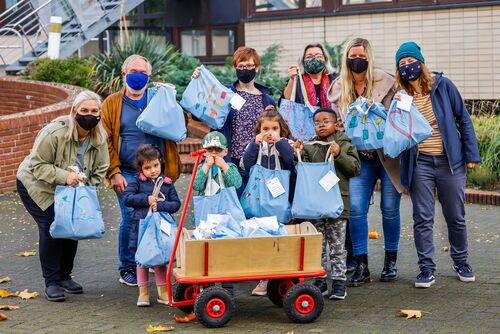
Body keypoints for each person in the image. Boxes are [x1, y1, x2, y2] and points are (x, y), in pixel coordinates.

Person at [395, 42, 481, 288]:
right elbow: (398, 131)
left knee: (455, 216)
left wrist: (471, 154)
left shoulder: (443, 86)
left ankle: (462, 261)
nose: (406, 67)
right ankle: (426, 269)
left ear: (420, 62)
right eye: (401, 64)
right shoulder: (401, 96)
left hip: (449, 163)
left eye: (410, 61)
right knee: (422, 218)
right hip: (419, 163)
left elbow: (463, 119)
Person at [16, 91, 109, 302]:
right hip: (37, 184)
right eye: (84, 110)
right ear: (74, 112)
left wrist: (84, 190)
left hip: (73, 188)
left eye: (94, 111)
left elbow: (100, 169)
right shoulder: (54, 133)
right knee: (52, 226)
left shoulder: (99, 137)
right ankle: (52, 282)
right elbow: (37, 166)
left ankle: (65, 276)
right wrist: (66, 177)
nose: (89, 115)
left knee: (71, 226)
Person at [328, 37, 403, 286]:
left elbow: (398, 118)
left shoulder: (385, 83)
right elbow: (338, 124)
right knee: (357, 210)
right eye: (352, 56)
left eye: (361, 56)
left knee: (389, 210)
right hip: (360, 158)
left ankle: (390, 261)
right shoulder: (341, 87)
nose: (356, 60)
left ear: (368, 58)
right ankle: (361, 264)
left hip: (388, 156)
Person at [102, 54, 182, 287]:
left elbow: (179, 123)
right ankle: (127, 266)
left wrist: (171, 97)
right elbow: (105, 140)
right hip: (127, 172)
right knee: (132, 217)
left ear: (150, 77)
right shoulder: (112, 103)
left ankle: (154, 259)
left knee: (158, 215)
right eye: (134, 71)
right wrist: (113, 171)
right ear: (123, 74)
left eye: (144, 73)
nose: (139, 76)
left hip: (157, 171)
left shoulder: (158, 99)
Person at [294, 107, 360, 300]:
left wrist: (339, 154)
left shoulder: (344, 143)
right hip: (314, 205)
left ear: (336, 124)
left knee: (338, 246)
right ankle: (320, 280)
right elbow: (301, 171)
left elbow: (355, 169)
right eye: (317, 122)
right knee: (318, 246)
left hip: (337, 205)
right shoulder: (310, 145)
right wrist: (297, 154)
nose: (321, 125)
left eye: (325, 121)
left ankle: (339, 283)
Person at [192, 47, 275, 196]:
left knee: (254, 207)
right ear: (235, 68)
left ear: (257, 68)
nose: (245, 69)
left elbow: (273, 129)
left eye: (249, 66)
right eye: (241, 66)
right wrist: (197, 82)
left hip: (257, 161)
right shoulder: (224, 93)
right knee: (230, 205)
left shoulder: (267, 100)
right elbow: (199, 113)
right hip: (229, 160)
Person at [241, 106, 294, 296]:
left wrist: (280, 143)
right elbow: (246, 165)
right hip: (259, 200)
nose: (269, 132)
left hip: (279, 199)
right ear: (259, 131)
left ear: (281, 130)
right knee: (261, 237)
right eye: (265, 129)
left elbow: (290, 162)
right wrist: (256, 144)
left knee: (281, 236)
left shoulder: (286, 144)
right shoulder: (254, 145)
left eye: (274, 128)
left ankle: (283, 277)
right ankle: (263, 279)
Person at [123, 144, 181, 306]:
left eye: (155, 165)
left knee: (160, 259)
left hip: (161, 228)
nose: (153, 170)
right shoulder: (136, 182)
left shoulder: (167, 183)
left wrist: (161, 206)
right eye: (147, 168)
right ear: (141, 168)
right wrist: (145, 199)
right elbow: (127, 198)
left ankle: (163, 293)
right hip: (141, 226)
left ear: (160, 162)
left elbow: (176, 204)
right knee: (142, 259)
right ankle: (143, 293)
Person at [193, 131, 242, 296]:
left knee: (225, 252)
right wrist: (206, 166)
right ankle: (207, 288)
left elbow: (236, 183)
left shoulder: (230, 167)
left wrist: (224, 166)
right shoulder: (201, 168)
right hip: (206, 219)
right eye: (210, 150)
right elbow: (197, 185)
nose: (214, 154)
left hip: (225, 219)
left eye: (218, 150)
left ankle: (227, 289)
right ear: (204, 151)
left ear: (225, 152)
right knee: (206, 253)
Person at [282, 42, 338, 108]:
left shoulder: (335, 79)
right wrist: (292, 79)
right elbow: (287, 100)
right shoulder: (297, 80)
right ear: (302, 61)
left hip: (331, 117)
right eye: (309, 57)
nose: (314, 59)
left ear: (325, 59)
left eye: (319, 56)